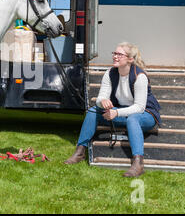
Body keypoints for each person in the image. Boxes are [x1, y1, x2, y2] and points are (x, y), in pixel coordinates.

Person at [64, 42, 161, 177]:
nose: (115, 57)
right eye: (114, 53)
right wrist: (102, 102)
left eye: (119, 54)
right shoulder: (110, 73)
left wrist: (116, 112)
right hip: (121, 112)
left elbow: (139, 107)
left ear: (130, 59)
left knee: (133, 119)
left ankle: (138, 163)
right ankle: (80, 152)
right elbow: (99, 99)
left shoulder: (140, 77)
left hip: (145, 115)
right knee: (93, 112)